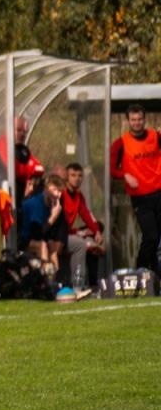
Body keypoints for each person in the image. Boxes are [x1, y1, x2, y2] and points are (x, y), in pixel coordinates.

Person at [109, 104, 161, 281]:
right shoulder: (121, 143)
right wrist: (125, 175)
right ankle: (140, 270)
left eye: (140, 119)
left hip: (159, 191)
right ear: (128, 121)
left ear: (144, 119)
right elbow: (111, 168)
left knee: (157, 237)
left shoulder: (155, 136)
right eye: (133, 120)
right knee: (151, 235)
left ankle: (154, 277)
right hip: (140, 197)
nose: (137, 123)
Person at [60, 162, 104, 290]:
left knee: (92, 242)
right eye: (73, 175)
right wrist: (77, 233)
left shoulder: (78, 196)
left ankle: (93, 285)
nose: (77, 178)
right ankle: (77, 286)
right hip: (59, 235)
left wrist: (97, 231)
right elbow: (60, 224)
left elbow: (87, 214)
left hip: (69, 233)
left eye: (80, 176)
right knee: (83, 244)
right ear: (66, 177)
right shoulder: (61, 194)